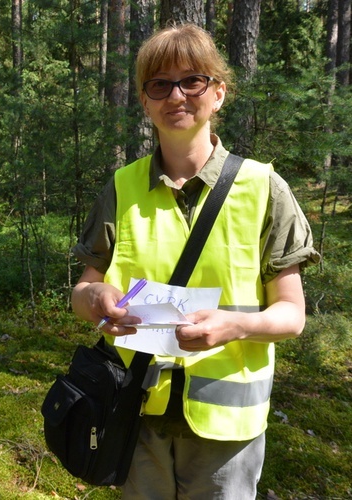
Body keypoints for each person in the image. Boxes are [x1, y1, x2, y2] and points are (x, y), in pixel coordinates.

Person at [70, 23, 320, 499]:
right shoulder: (122, 188)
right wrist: (97, 299)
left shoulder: (263, 188)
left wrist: (234, 326)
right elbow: (82, 292)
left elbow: (292, 315)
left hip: (226, 427)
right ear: (145, 102)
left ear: (219, 93)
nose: (176, 95)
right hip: (135, 407)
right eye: (159, 84)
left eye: (192, 81)